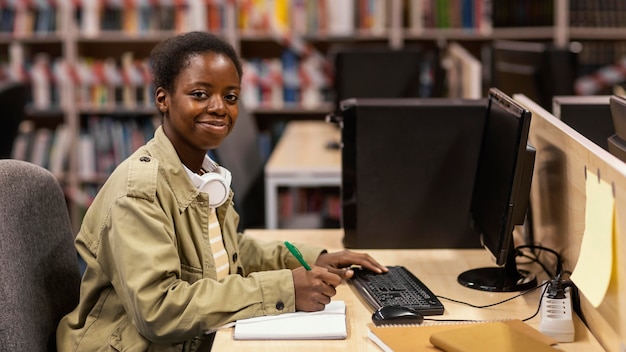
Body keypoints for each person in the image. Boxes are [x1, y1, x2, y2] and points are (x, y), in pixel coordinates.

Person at [56, 31, 387, 351]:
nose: (219, 107)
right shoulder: (139, 192)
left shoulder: (203, 174)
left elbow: (229, 250)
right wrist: (285, 287)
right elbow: (158, 310)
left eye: (230, 97)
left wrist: (318, 258)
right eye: (200, 94)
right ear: (163, 99)